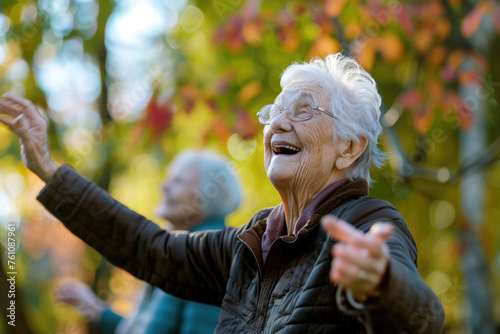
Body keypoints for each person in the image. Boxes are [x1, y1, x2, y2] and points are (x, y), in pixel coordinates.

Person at [0, 53, 445, 333]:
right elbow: (149, 248)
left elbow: (425, 318)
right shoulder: (251, 242)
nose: (278, 124)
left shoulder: (367, 225)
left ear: (349, 148)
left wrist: (380, 283)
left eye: (303, 111)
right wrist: (49, 169)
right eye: (275, 111)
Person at [54, 150, 241, 333]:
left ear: (207, 195)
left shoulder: (207, 256)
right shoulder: (181, 250)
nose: (164, 187)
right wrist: (95, 309)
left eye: (178, 181)